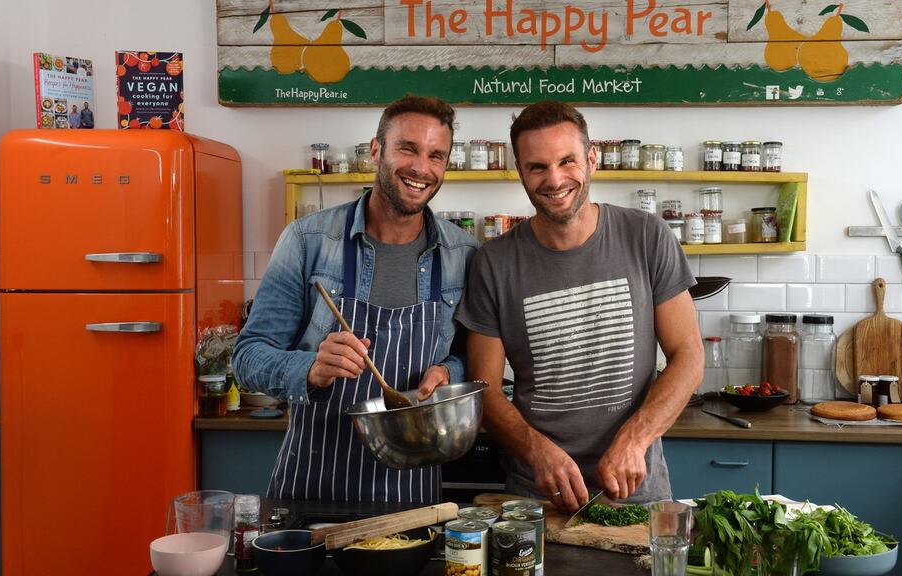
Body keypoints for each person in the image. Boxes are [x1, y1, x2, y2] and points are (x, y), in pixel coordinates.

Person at [451, 101, 703, 512]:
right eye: (537, 167)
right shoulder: (492, 263)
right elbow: (485, 390)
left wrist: (634, 440)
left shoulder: (647, 237)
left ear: (591, 159)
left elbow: (689, 356)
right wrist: (537, 452)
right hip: (537, 492)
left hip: (634, 489)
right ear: (520, 172)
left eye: (567, 161)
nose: (554, 179)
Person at [233, 95, 478, 502]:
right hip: (312, 490)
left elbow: (471, 355)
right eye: (408, 148)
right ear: (377, 150)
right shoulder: (307, 240)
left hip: (412, 498)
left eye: (436, 155)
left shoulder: (463, 255)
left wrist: (449, 370)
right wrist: (310, 367)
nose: (421, 168)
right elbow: (247, 358)